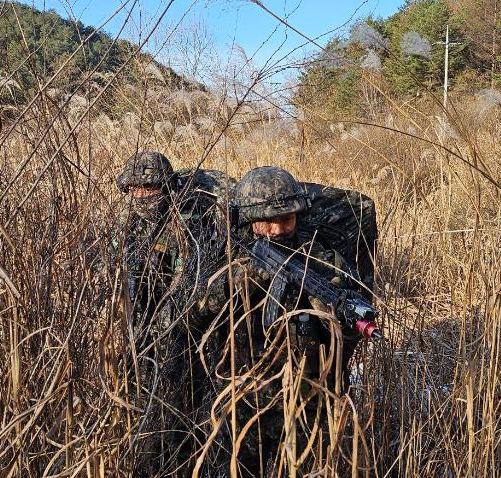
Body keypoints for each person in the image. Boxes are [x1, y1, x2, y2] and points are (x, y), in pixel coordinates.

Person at [205, 166, 363, 477]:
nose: (277, 230)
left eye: (286, 219)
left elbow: (350, 334)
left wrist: (331, 313)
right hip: (244, 397)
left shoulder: (324, 260)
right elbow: (192, 316)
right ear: (248, 221)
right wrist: (236, 282)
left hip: (309, 400)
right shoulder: (227, 256)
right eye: (266, 222)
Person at [113, 150, 230, 477]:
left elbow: (189, 286)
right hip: (143, 328)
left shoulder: (187, 224)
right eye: (134, 189)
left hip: (180, 331)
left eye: (150, 189)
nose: (141, 196)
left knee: (172, 413)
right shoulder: (132, 224)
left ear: (166, 188)